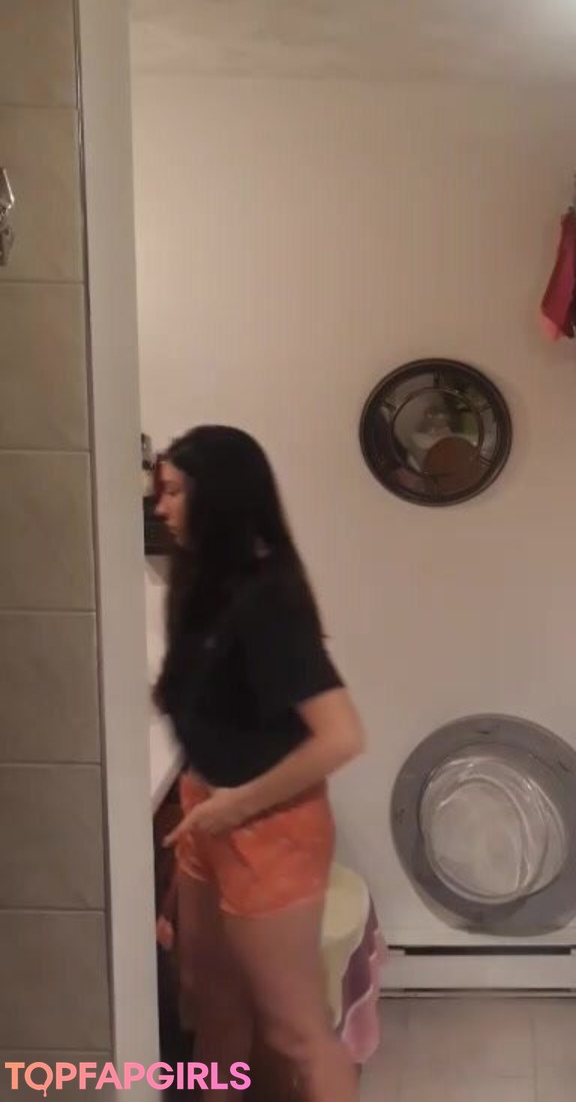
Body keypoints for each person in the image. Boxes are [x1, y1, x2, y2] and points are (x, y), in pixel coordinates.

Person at [152, 425, 364, 1102]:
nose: (160, 506)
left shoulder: (268, 597)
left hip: (267, 826)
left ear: (218, 499)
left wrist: (235, 806)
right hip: (209, 809)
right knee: (207, 1002)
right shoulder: (202, 583)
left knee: (295, 1030)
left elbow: (341, 737)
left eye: (174, 492)